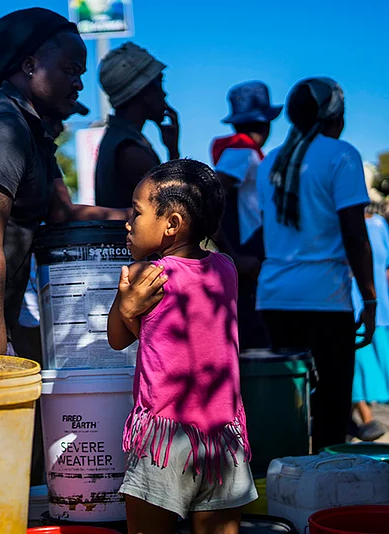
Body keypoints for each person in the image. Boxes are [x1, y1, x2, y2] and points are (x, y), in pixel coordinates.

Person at [0, 7, 127, 357]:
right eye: (70, 71)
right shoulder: (1, 128)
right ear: (30, 65)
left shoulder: (32, 131)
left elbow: (62, 213)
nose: (79, 84)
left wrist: (142, 215)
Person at [107, 159, 256, 534]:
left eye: (137, 213)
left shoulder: (146, 274)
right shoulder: (226, 269)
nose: (128, 223)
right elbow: (178, 338)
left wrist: (125, 309)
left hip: (165, 439)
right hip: (224, 437)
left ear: (171, 224)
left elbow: (118, 338)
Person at [256, 77, 376, 452]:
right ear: (333, 116)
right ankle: (324, 495)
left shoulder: (269, 163)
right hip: (325, 299)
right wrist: (370, 300)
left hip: (274, 298)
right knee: (330, 410)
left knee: (287, 408)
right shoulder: (341, 155)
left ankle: (284, 491)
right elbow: (355, 235)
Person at [211, 81, 283, 350]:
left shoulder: (241, 151)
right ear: (266, 123)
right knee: (254, 343)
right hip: (246, 255)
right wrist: (235, 257)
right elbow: (210, 196)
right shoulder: (242, 153)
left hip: (246, 256)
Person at [94, 42, 180, 210]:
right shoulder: (130, 149)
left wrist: (172, 148)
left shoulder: (120, 137)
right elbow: (172, 208)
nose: (164, 93)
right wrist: (174, 152)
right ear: (144, 91)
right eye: (160, 84)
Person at [350, 203, 389, 441]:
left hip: (381, 308)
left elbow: (386, 267)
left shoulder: (378, 224)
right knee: (357, 366)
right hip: (353, 307)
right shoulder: (342, 225)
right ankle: (366, 419)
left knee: (381, 367)